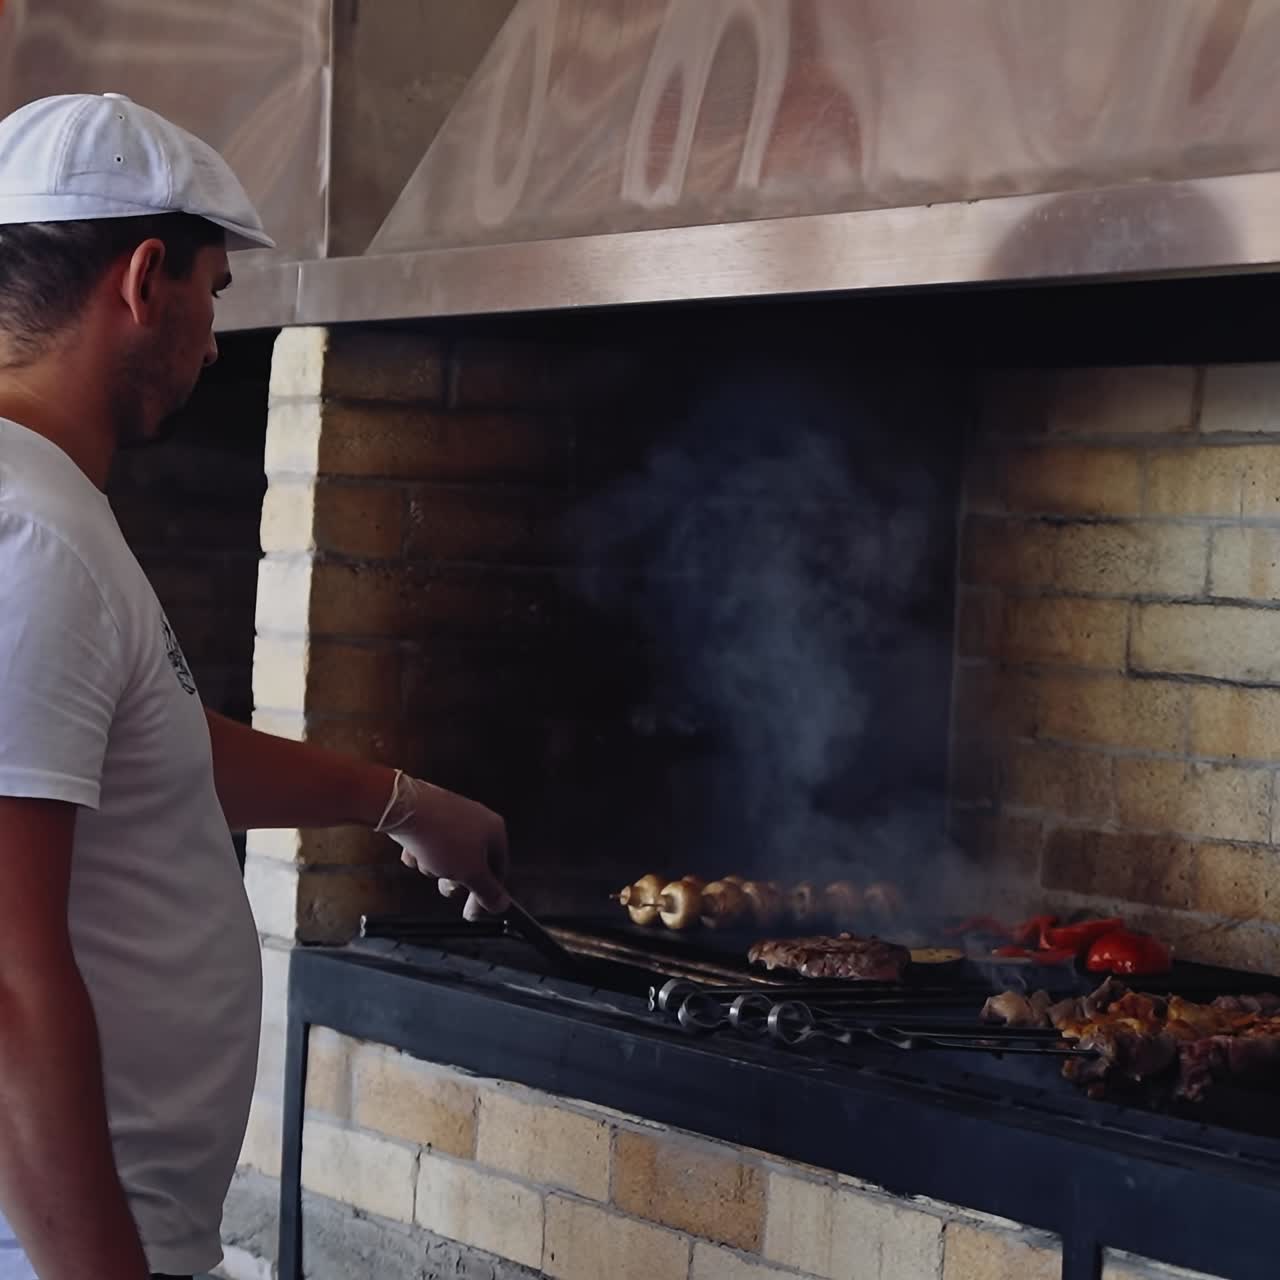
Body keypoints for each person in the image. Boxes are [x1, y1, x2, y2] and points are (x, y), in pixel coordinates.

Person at [0, 93, 511, 1280]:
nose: (214, 344)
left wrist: (398, 799)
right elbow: (8, 986)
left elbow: (142, 744)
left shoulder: (44, 510)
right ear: (145, 279)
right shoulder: (30, 535)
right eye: (215, 294)